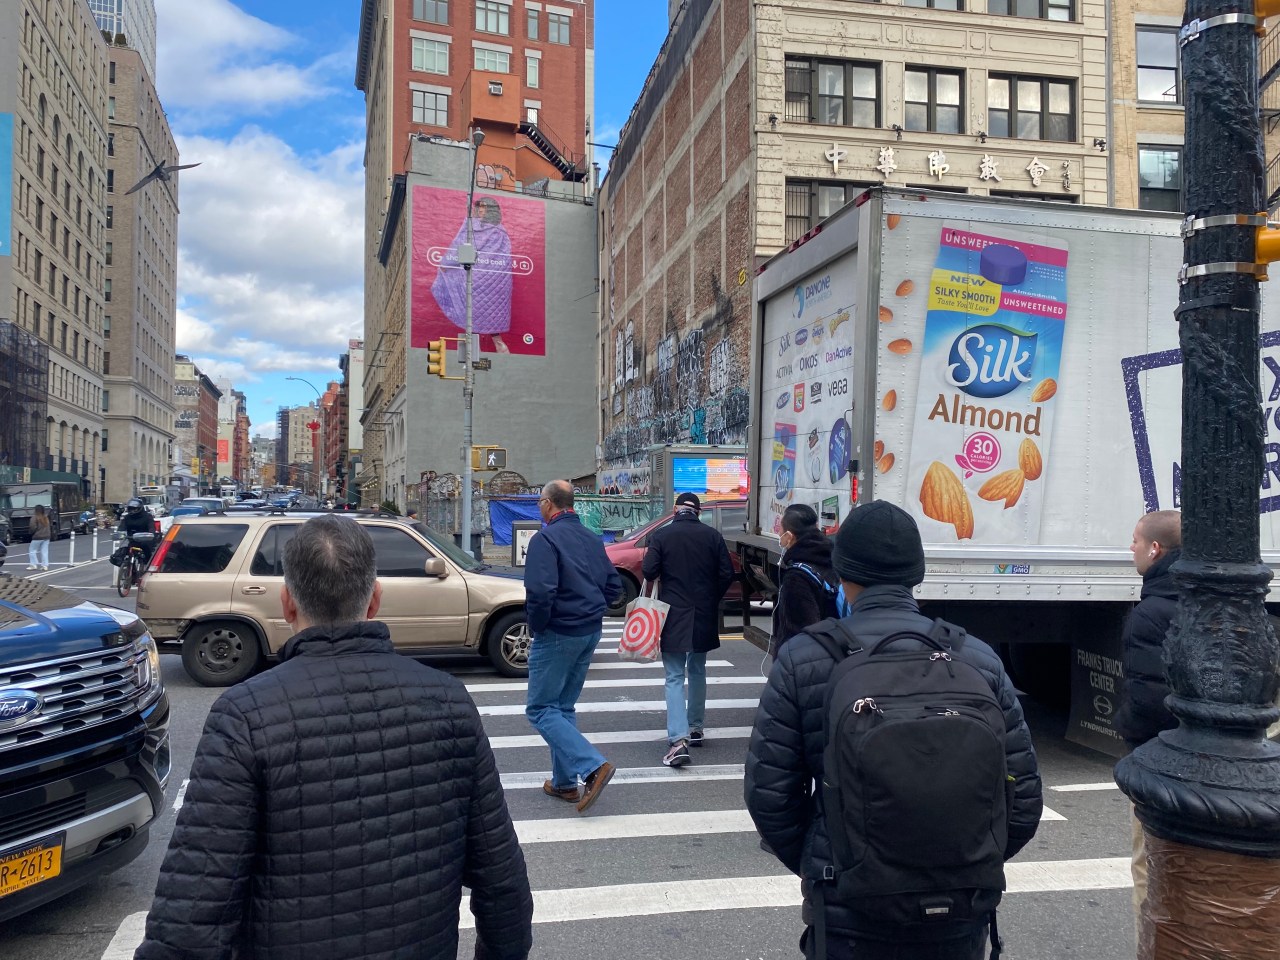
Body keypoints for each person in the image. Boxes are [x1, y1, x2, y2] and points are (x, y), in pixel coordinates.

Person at [134, 515, 532, 960]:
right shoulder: (448, 699)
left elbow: (193, 910)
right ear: (375, 600)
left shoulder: (244, 715)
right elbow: (502, 879)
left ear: (287, 604)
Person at [745, 501, 1043, 960]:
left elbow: (770, 794)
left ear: (842, 570)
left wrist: (828, 863)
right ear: (916, 573)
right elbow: (1022, 799)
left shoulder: (804, 659)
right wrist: (963, 863)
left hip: (849, 910)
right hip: (960, 910)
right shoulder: (978, 659)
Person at [523, 479, 622, 813]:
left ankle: (592, 766)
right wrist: (592, 607)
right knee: (562, 707)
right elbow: (614, 587)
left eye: (540, 502)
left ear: (549, 504)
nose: (539, 506)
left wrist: (538, 627)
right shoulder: (592, 538)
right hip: (589, 630)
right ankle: (565, 784)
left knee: (539, 709)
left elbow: (540, 592)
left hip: (557, 631)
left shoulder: (545, 539)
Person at [1115, 509, 1181, 917]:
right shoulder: (1208, 599)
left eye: (1136, 540)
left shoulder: (1149, 613)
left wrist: (1125, 731)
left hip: (1159, 763)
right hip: (1206, 762)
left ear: (1154, 549)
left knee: (1148, 866)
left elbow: (1147, 700)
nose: (1131, 547)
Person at [642, 492, 735, 767]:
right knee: (697, 670)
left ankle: (678, 738)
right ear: (698, 511)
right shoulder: (712, 536)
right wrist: (710, 597)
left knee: (673, 676)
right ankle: (696, 728)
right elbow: (726, 573)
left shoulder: (662, 536)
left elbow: (649, 571)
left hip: (672, 613)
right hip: (703, 613)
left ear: (675, 510)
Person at [432, 196, 514, 353]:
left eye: (484, 207)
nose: (481, 210)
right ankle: (500, 348)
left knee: (470, 314)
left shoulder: (474, 227)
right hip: (498, 284)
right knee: (490, 317)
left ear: (491, 210)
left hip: (477, 280)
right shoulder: (502, 231)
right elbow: (505, 258)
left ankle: (468, 358)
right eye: (480, 207)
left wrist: (446, 264)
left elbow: (460, 247)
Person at [771, 503, 841, 656]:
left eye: (780, 530)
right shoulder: (832, 560)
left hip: (804, 665)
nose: (779, 534)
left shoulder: (796, 577)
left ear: (789, 536)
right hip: (836, 652)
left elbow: (798, 633)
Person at [114, 498, 156, 568]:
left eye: (134, 509)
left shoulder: (147, 516)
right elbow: (122, 527)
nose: (132, 511)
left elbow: (151, 527)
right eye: (130, 509)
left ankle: (148, 565)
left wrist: (151, 534)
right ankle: (128, 568)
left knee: (147, 550)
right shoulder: (127, 517)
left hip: (145, 539)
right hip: (132, 539)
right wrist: (119, 533)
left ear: (140, 508)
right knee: (124, 551)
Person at [28, 505, 51, 571]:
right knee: (44, 551)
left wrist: (31, 533)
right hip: (46, 536)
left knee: (32, 550)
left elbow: (32, 527)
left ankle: (33, 564)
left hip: (37, 537)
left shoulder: (34, 518)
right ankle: (45, 565)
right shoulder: (45, 517)